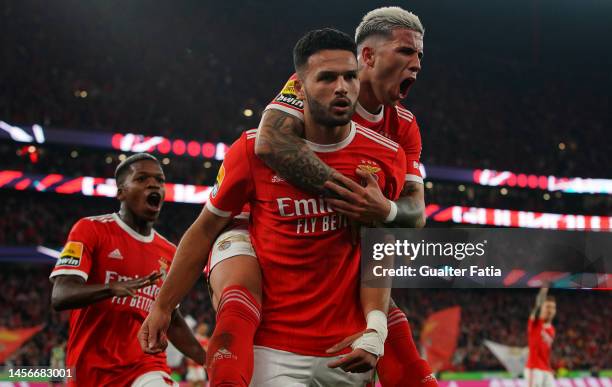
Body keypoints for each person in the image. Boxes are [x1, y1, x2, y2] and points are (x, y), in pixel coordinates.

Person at [139, 28, 406, 386]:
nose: (342, 87)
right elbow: (204, 230)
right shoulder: (250, 153)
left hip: (348, 350)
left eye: (350, 76)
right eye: (327, 78)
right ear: (299, 86)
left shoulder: (387, 156)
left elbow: (378, 248)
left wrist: (375, 329)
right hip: (272, 351)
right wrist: (162, 305)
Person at [257, 6, 437, 387]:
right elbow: (270, 141)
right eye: (406, 51)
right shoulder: (317, 86)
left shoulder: (403, 127)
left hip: (342, 258)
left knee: (387, 334)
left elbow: (415, 212)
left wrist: (383, 208)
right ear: (367, 56)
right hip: (272, 237)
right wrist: (350, 195)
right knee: (232, 255)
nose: (417, 63)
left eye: (420, 55)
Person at [50, 153, 205, 387]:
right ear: (121, 192)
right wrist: (111, 288)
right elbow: (61, 295)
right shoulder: (90, 230)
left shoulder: (170, 252)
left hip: (145, 366)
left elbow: (172, 319)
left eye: (159, 180)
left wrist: (210, 361)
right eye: (142, 178)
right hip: (89, 373)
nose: (154, 184)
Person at [525, 287, 556, 387]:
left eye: (552, 307)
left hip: (546, 369)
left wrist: (549, 367)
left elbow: (545, 353)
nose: (550, 310)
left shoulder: (552, 329)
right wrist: (544, 290)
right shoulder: (535, 324)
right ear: (542, 308)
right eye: (547, 307)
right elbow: (538, 305)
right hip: (534, 368)